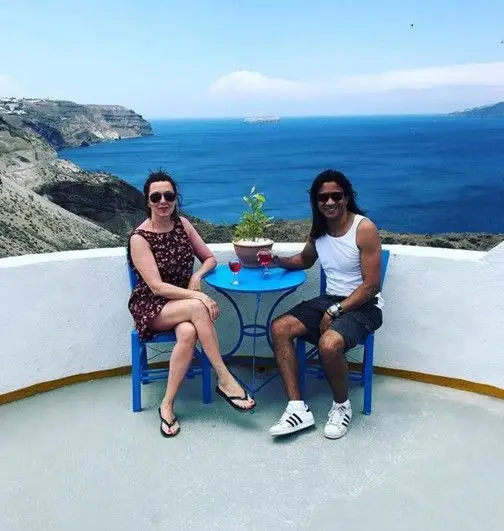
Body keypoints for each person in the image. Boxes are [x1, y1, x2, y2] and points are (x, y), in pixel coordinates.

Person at [128, 170, 255, 437]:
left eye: (168, 195)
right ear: (147, 201)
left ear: (176, 198)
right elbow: (156, 287)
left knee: (187, 332)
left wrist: (196, 277)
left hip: (182, 303)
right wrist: (199, 296)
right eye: (156, 197)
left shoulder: (183, 225)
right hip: (152, 306)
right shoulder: (139, 238)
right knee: (198, 308)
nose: (163, 201)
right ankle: (225, 378)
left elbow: (209, 258)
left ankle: (166, 404)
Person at [268, 169, 383, 440]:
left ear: (347, 197)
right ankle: (298, 409)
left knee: (329, 344)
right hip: (330, 298)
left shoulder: (363, 228)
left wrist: (336, 310)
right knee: (280, 327)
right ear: (316, 201)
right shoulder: (320, 229)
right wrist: (276, 261)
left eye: (336, 196)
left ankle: (342, 406)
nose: (330, 202)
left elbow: (371, 286)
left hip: (365, 305)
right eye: (323, 197)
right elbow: (306, 260)